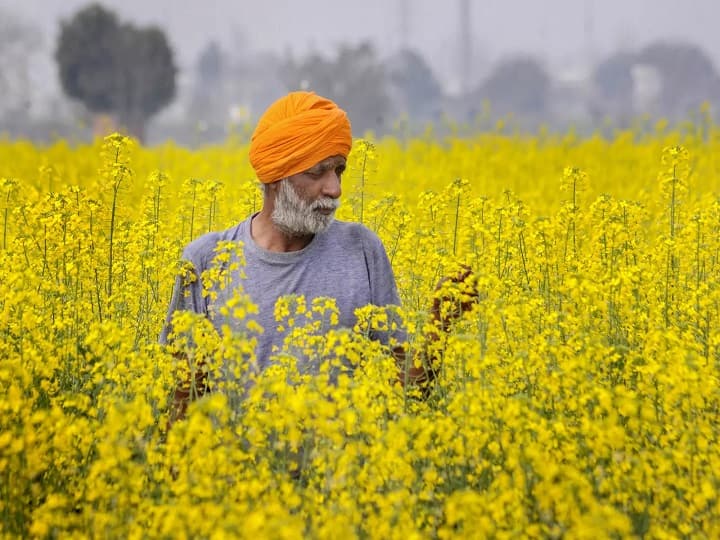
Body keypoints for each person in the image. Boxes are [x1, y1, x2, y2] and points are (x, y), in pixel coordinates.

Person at [161, 91, 474, 424]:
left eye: (339, 170)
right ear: (276, 176)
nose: (335, 189)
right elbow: (181, 407)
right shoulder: (206, 261)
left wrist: (441, 325)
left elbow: (406, 393)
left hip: (338, 475)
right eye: (317, 173)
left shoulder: (363, 250)